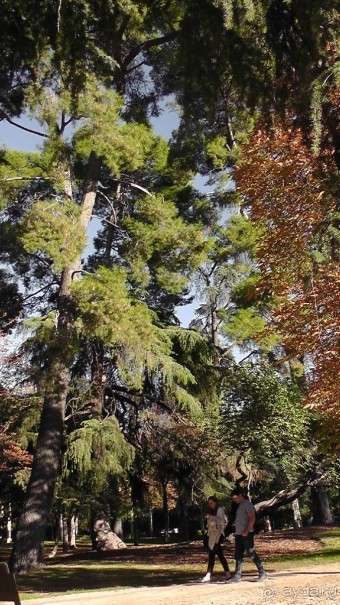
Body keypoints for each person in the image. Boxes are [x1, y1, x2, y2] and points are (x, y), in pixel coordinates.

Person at [228, 487, 267, 582]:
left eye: (235, 498)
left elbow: (252, 518)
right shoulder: (239, 506)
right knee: (238, 555)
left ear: (240, 496)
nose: (234, 500)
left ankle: (263, 573)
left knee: (251, 553)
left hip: (247, 534)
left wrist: (246, 530)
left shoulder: (247, 504)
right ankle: (237, 576)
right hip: (238, 534)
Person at [201, 495, 231, 582]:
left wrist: (210, 517)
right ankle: (227, 573)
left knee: (212, 554)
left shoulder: (219, 510)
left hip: (217, 535)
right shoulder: (213, 511)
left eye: (212, 503)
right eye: (209, 503)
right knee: (219, 554)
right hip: (212, 535)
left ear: (215, 502)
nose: (210, 505)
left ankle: (208, 574)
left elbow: (221, 521)